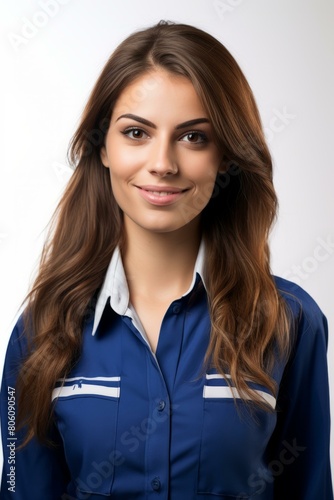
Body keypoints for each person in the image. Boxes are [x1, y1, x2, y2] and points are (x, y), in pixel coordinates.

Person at [0, 21, 332, 500]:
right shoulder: (41, 329)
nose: (163, 163)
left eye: (194, 137)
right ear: (103, 149)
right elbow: (22, 488)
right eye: (136, 132)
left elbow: (310, 488)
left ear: (227, 155)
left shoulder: (290, 320)